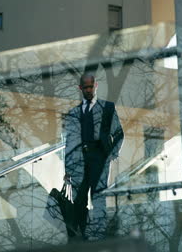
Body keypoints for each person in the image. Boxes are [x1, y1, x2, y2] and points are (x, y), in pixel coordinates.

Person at [63, 73, 124, 241]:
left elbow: (118, 133)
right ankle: (79, 236)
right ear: (80, 88)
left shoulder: (107, 108)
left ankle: (99, 234)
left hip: (99, 156)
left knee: (98, 196)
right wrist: (67, 169)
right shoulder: (74, 113)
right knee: (79, 198)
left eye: (91, 86)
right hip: (78, 159)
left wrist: (112, 154)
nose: (89, 90)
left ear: (96, 85)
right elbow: (69, 142)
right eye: (85, 87)